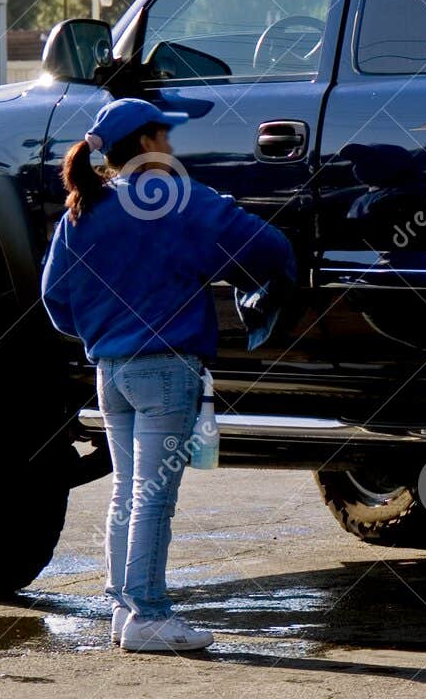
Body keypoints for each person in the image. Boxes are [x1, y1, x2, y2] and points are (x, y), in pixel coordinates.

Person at [41, 99, 296, 653]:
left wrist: (97, 332)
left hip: (111, 371)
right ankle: (150, 616)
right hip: (167, 370)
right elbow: (266, 247)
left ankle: (121, 609)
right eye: (166, 137)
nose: (173, 148)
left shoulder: (81, 212)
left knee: (127, 492)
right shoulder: (179, 203)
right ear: (149, 143)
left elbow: (53, 296)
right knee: (154, 498)